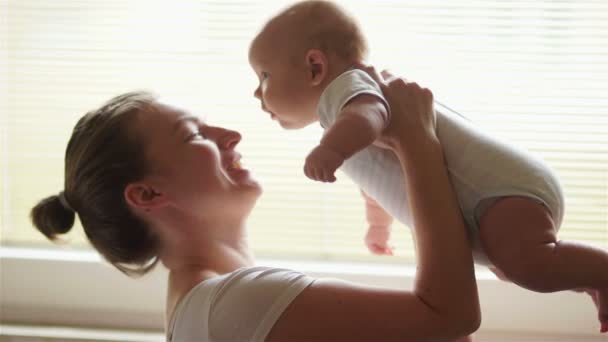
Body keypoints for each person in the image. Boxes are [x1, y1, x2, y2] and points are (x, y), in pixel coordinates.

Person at [30, 68, 481, 341]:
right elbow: (451, 317)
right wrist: (417, 140)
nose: (230, 136)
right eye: (194, 135)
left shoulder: (222, 307)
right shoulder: (231, 306)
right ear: (148, 195)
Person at [247, 0, 608, 333]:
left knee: (531, 264)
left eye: (263, 76)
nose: (256, 92)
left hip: (500, 191)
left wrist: (330, 150)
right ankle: (591, 278)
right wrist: (378, 225)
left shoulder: (347, 89)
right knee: (516, 269)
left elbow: (370, 115)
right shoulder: (344, 117)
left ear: (315, 66)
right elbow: (377, 178)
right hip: (498, 201)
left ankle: (602, 271)